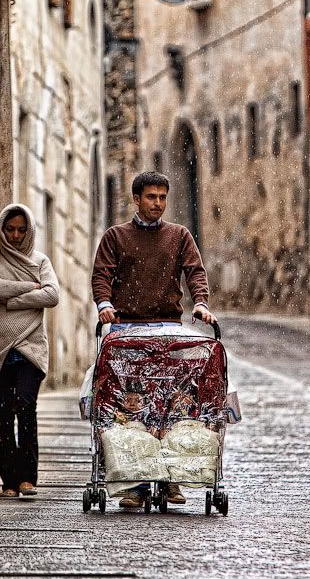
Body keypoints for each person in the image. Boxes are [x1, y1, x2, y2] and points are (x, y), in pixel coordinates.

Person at [91, 170, 217, 508]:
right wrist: (105, 306)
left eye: (162, 197)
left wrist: (201, 303)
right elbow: (102, 274)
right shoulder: (116, 237)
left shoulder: (179, 236)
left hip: (166, 328)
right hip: (126, 330)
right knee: (129, 406)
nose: (157, 204)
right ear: (136, 199)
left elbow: (194, 270)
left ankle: (171, 478)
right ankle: (132, 483)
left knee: (171, 403)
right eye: (151, 197)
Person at [0, 203, 59, 498]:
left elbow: (51, 294)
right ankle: (8, 482)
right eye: (9, 229)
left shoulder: (41, 260)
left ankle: (28, 478)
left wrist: (11, 302)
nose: (14, 235)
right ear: (1, 228)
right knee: (1, 413)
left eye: (21, 230)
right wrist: (28, 288)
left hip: (30, 347)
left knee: (25, 407)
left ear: (29, 231)